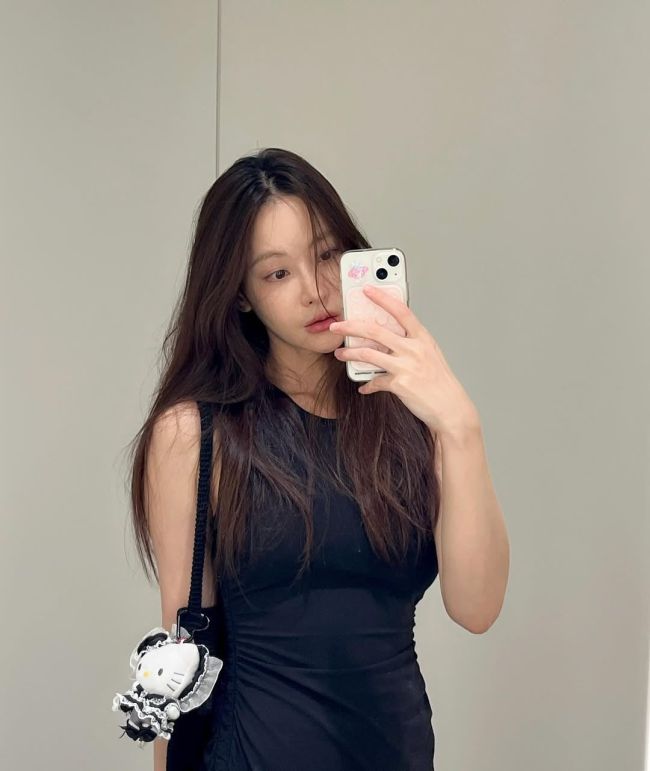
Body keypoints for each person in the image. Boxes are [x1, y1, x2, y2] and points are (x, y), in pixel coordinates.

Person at [126, 147, 442, 770]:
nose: (315, 291)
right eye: (277, 274)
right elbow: (182, 654)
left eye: (325, 255)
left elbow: (478, 608)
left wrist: (460, 424)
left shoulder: (407, 421)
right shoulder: (197, 432)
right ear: (241, 295)